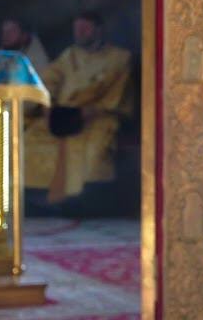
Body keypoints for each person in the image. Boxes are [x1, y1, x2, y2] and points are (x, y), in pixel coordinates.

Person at [24, 12, 132, 203]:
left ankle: (85, 201)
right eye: (77, 29)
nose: (80, 33)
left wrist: (86, 112)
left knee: (92, 150)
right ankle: (36, 199)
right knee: (29, 140)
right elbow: (49, 80)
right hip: (60, 115)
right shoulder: (69, 55)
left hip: (98, 116)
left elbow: (115, 96)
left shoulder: (119, 58)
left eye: (85, 28)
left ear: (99, 30)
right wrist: (48, 107)